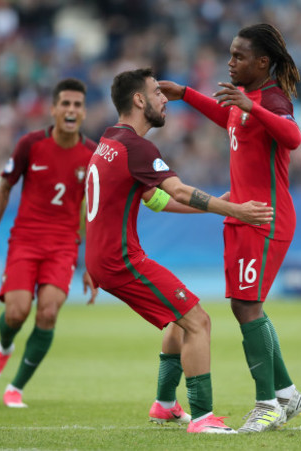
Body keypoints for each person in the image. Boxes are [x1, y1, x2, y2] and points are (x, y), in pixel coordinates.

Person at [84, 68, 274, 434]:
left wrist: (214, 203)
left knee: (178, 317)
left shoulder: (109, 141)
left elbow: (156, 199)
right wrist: (236, 210)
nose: (163, 99)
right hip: (119, 259)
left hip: (104, 257)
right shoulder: (138, 147)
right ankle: (203, 419)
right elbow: (180, 191)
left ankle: (165, 405)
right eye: (156, 93)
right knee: (198, 320)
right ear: (139, 100)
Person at [159, 23, 301, 433]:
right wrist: (186, 94)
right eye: (230, 54)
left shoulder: (273, 98)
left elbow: (293, 137)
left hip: (264, 217)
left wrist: (253, 105)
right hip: (243, 215)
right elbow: (228, 116)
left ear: (262, 62)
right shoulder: (246, 102)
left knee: (246, 306)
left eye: (239, 56)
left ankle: (268, 403)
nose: (230, 62)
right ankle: (288, 394)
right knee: (248, 305)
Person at [0, 78, 98, 407]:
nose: (71, 110)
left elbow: (92, 210)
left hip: (63, 245)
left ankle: (16, 387)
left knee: (47, 312)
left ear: (84, 113)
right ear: (54, 109)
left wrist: (90, 262)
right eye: (66, 104)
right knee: (16, 313)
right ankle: (4, 346)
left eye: (77, 105)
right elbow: (3, 188)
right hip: (26, 240)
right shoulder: (30, 144)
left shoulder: (91, 155)